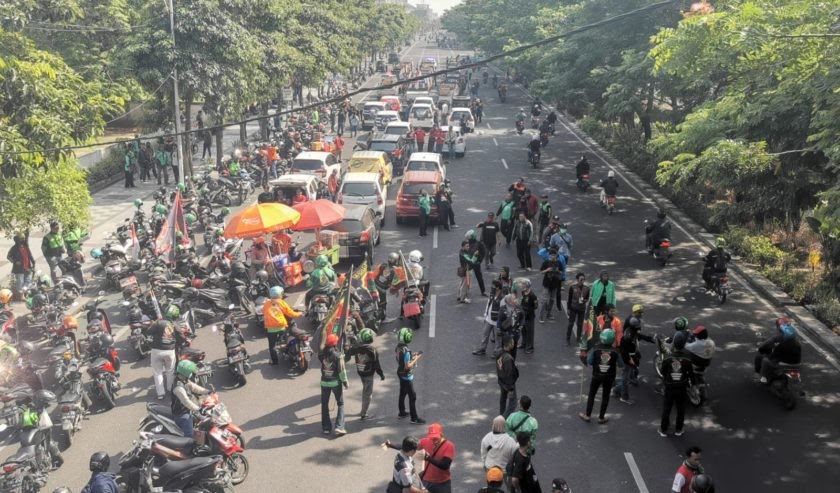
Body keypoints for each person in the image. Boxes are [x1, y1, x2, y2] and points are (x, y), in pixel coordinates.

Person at [579, 329, 621, 424]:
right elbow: (621, 364)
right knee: (605, 396)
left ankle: (587, 415)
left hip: (596, 375)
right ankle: (601, 417)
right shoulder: (615, 351)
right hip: (609, 377)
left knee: (592, 395)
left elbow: (589, 362)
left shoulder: (596, 349)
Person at [615, 308, 654, 404]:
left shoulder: (632, 332)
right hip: (628, 358)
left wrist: (650, 339)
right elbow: (624, 351)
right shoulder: (628, 336)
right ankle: (623, 396)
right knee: (625, 377)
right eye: (638, 326)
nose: (639, 328)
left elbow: (639, 336)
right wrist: (630, 360)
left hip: (632, 355)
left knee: (630, 374)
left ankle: (619, 388)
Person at [345, 328, 385, 420]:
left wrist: (347, 344)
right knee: (368, 393)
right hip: (369, 374)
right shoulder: (372, 350)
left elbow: (348, 353)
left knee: (365, 390)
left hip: (360, 372)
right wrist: (381, 374)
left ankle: (363, 409)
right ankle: (364, 413)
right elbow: (376, 364)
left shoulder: (356, 348)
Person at [659, 331, 693, 437]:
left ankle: (663, 430)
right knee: (680, 409)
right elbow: (690, 372)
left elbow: (663, 371)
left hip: (669, 386)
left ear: (674, 343)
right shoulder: (688, 357)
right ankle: (678, 430)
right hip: (682, 386)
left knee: (667, 408)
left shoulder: (668, 358)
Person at [148, 305, 186, 400]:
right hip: (170, 351)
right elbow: (182, 338)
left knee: (157, 372)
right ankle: (170, 389)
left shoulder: (159, 322)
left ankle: (160, 394)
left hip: (156, 350)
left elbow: (148, 332)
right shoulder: (175, 325)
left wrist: (154, 324)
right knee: (170, 371)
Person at [263, 286, 303, 365]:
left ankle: (274, 362)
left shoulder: (266, 303)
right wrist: (300, 314)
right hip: (281, 327)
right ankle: (288, 352)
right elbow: (291, 314)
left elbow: (264, 312)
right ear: (279, 294)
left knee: (272, 346)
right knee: (287, 337)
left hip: (270, 329)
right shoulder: (281, 302)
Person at [170, 360, 210, 437]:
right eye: (190, 372)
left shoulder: (183, 379)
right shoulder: (178, 387)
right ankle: (188, 447)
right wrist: (198, 409)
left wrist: (207, 391)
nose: (192, 373)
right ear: (185, 372)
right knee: (189, 435)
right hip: (182, 413)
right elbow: (186, 402)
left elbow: (194, 387)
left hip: (188, 409)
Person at [755, 318, 802, 383]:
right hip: (797, 364)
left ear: (778, 327)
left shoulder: (777, 337)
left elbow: (764, 347)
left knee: (764, 359)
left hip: (781, 363)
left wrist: (762, 348)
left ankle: (763, 378)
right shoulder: (796, 338)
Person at [319, 333, 348, 436]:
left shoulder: (321, 354)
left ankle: (326, 428)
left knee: (324, 404)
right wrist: (345, 383)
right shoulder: (337, 355)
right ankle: (339, 426)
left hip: (324, 382)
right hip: (335, 382)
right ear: (335, 344)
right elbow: (342, 371)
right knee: (340, 403)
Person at [396, 327, 425, 424]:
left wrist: (412, 354)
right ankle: (414, 418)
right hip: (407, 376)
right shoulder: (406, 351)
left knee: (402, 393)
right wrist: (417, 358)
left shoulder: (399, 347)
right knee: (412, 397)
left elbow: (402, 357)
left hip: (400, 373)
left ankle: (402, 412)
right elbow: (407, 366)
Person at [418, 423, 455, 493]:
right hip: (427, 481)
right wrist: (391, 445)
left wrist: (429, 458)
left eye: (435, 438)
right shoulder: (425, 441)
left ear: (441, 434)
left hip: (443, 483)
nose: (433, 440)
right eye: (431, 438)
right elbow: (408, 446)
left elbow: (445, 465)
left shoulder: (449, 446)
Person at [473, 282, 504, 356]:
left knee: (497, 337)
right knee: (485, 334)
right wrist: (485, 316)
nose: (491, 287)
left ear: (498, 288)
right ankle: (482, 349)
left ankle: (497, 352)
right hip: (489, 319)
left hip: (497, 322)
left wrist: (500, 322)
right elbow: (488, 305)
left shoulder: (502, 298)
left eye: (493, 286)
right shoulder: (492, 294)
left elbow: (503, 310)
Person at [537, 249, 565, 323]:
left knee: (552, 299)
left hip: (555, 283)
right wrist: (547, 270)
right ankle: (541, 316)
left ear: (556, 255)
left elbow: (562, 271)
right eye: (551, 255)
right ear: (549, 255)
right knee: (544, 300)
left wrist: (558, 271)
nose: (552, 256)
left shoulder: (559, 263)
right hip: (546, 283)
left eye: (554, 255)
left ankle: (549, 313)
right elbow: (540, 272)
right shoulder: (546, 262)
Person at [7, 234, 35, 301]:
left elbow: (30, 254)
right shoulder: (14, 248)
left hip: (27, 267)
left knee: (28, 281)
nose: (21, 241)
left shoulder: (25, 247)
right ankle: (21, 296)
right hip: (19, 269)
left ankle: (24, 293)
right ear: (16, 241)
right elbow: (8, 256)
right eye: (19, 240)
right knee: (20, 282)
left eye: (21, 239)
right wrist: (15, 261)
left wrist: (33, 261)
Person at [496, 336, 519, 417]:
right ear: (509, 344)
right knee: (513, 403)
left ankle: (501, 414)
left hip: (501, 381)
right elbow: (509, 375)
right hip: (508, 384)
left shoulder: (499, 352)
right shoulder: (508, 359)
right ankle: (503, 419)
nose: (514, 344)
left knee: (503, 398)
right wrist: (511, 389)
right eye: (512, 342)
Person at [566, 273, 589, 344]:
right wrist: (568, 309)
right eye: (581, 279)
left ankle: (578, 338)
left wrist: (585, 300)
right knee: (570, 324)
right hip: (573, 308)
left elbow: (587, 298)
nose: (582, 281)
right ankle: (568, 338)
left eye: (583, 279)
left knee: (580, 324)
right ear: (577, 280)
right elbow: (569, 299)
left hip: (582, 309)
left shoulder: (587, 288)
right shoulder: (572, 287)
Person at [496, 294, 521, 358]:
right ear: (510, 301)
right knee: (505, 349)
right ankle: (504, 361)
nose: (516, 300)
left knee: (514, 349)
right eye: (514, 299)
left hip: (514, 333)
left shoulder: (518, 307)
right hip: (506, 334)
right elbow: (499, 319)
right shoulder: (503, 309)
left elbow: (521, 318)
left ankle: (512, 362)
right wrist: (498, 328)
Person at [518, 280, 538, 354]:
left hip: (530, 316)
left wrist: (527, 309)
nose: (522, 286)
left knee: (530, 332)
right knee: (523, 330)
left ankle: (530, 347)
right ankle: (524, 344)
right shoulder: (523, 292)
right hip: (523, 315)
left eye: (524, 285)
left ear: (527, 286)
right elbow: (523, 301)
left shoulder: (533, 296)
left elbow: (536, 306)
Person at [465, 230, 488, 296]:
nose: (468, 238)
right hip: (469, 263)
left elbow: (483, 252)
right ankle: (465, 292)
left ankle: (483, 291)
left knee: (479, 277)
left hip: (476, 263)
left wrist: (479, 261)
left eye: (469, 237)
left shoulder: (479, 243)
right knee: (466, 278)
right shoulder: (467, 244)